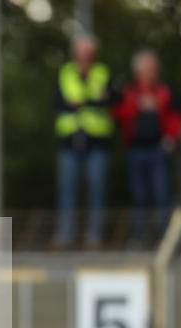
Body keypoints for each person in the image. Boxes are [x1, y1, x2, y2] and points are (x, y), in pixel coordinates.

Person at [114, 49, 181, 243]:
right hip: (135, 149)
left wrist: (170, 137)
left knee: (162, 193)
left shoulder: (164, 91)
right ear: (137, 71)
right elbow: (118, 115)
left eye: (154, 68)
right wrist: (138, 105)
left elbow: (176, 116)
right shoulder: (129, 92)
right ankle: (140, 236)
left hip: (158, 149)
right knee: (139, 195)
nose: (152, 72)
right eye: (148, 68)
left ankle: (164, 238)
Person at [53, 35, 115, 249]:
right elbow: (58, 102)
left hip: (96, 141)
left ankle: (94, 235)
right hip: (69, 141)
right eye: (81, 50)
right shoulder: (65, 72)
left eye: (88, 51)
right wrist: (92, 101)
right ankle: (66, 235)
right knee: (67, 190)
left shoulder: (103, 72)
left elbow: (109, 100)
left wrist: (83, 102)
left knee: (97, 189)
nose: (85, 55)